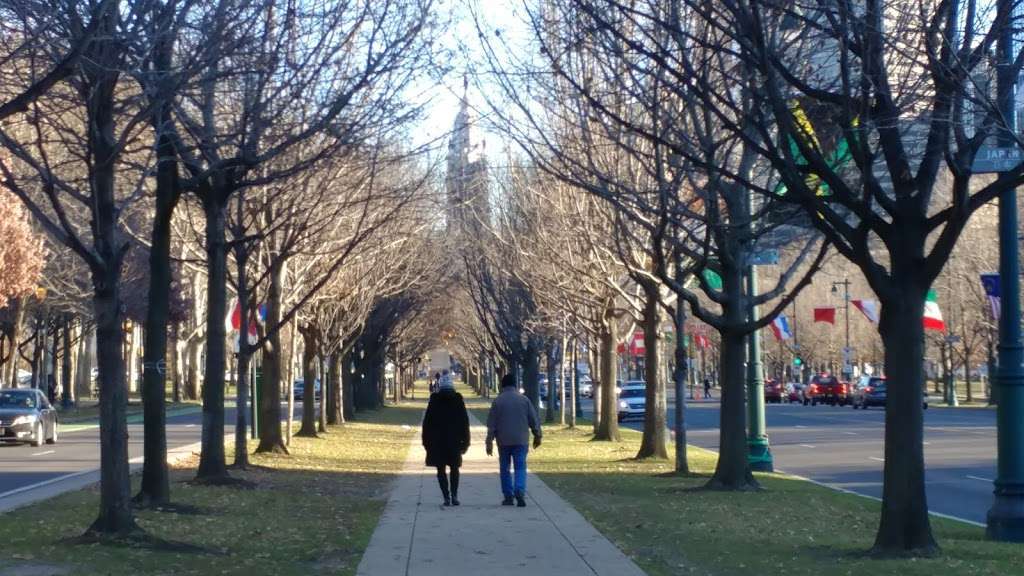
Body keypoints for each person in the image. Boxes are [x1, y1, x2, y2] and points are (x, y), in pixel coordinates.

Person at [486, 374, 542, 507]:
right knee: (520, 466)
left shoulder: (498, 401)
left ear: (502, 385)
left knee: (504, 468)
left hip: (503, 440)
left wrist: (489, 442)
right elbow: (533, 420)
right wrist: (537, 435)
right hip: (521, 439)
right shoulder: (524, 400)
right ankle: (519, 490)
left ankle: (508, 495)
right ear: (515, 385)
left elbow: (491, 424)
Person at [422, 376, 470, 506]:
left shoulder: (434, 400)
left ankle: (446, 496)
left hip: (437, 443)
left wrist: (426, 442)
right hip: (454, 442)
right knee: (455, 469)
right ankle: (454, 495)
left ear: (440, 387)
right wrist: (465, 442)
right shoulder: (458, 400)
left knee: (440, 470)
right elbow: (464, 423)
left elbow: (427, 423)